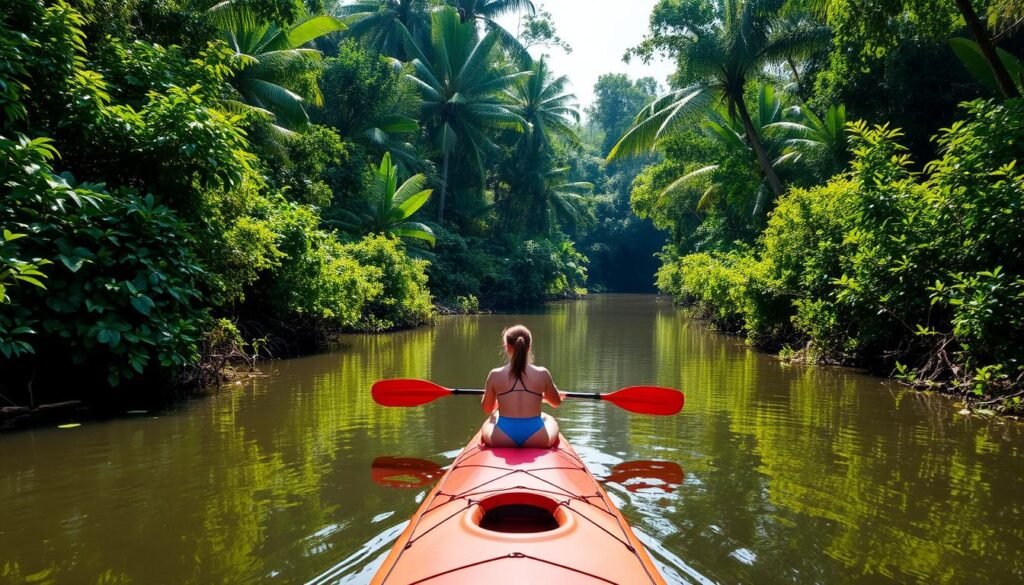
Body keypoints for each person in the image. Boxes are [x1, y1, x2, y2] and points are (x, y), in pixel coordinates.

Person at [480, 325, 562, 448]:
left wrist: (492, 397)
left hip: (502, 437)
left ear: (507, 347)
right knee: (549, 419)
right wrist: (550, 391)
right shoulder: (542, 373)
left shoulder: (495, 375)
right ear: (529, 347)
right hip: (537, 437)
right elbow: (556, 403)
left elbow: (487, 409)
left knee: (491, 419)